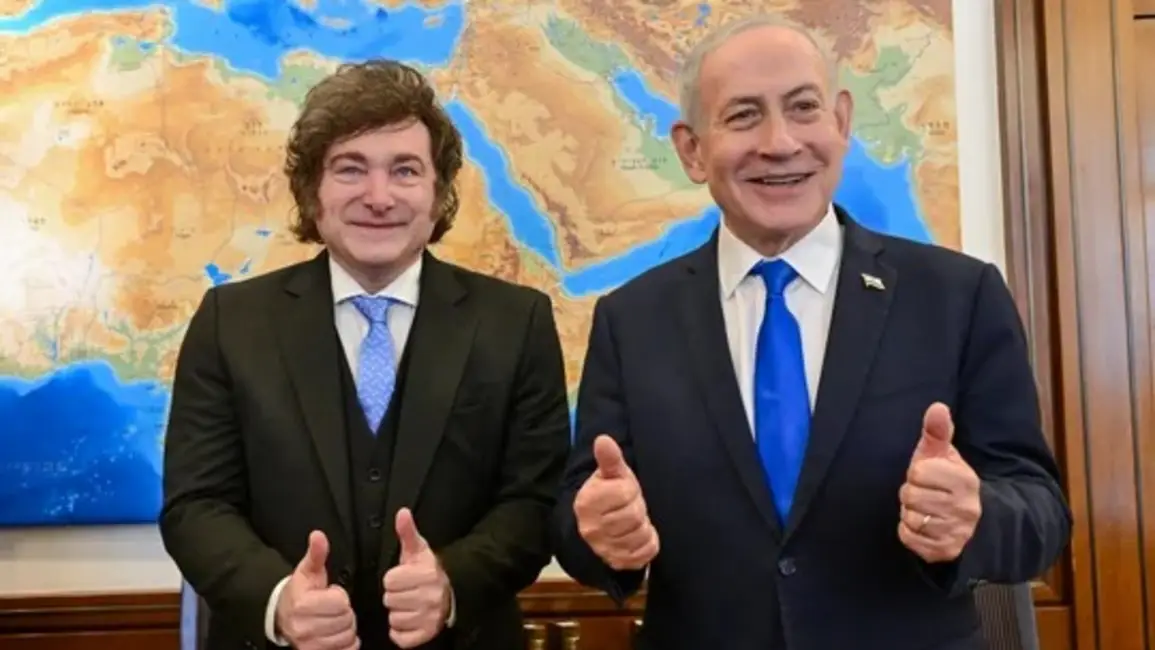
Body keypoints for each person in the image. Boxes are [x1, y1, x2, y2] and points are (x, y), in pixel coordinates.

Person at [551, 15, 1072, 650]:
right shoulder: (632, 319)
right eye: (744, 115)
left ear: (842, 121)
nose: (780, 143)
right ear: (691, 150)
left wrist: (977, 518)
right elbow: (582, 514)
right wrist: (601, 536)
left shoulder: (958, 296)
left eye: (803, 108)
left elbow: (1040, 509)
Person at [160, 59, 571, 650]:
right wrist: (279, 600)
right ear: (312, 192)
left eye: (405, 170)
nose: (379, 197)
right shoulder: (230, 322)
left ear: (439, 194)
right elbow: (197, 505)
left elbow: (535, 500)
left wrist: (451, 584)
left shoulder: (517, 322)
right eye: (350, 169)